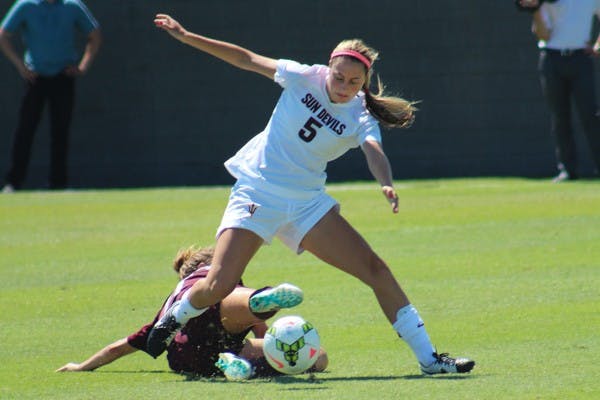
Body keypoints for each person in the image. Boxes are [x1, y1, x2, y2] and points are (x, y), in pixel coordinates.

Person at [147, 13, 475, 376]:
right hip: (258, 189)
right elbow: (245, 58)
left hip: (306, 204)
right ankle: (172, 319)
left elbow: (373, 151)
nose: (344, 85)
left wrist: (386, 181)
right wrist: (187, 35)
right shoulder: (304, 76)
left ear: (364, 82)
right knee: (218, 284)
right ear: (328, 67)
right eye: (339, 76)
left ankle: (430, 360)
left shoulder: (361, 113)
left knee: (376, 270)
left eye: (354, 81)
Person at [56, 245, 328, 379]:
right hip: (216, 311)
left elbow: (121, 347)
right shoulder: (217, 275)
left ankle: (231, 365)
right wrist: (273, 347)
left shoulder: (170, 301)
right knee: (318, 359)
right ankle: (259, 301)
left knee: (223, 343)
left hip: (185, 356)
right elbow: (263, 336)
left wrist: (81, 366)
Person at [0, 0, 101, 193]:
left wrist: (82, 66)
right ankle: (13, 182)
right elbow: (3, 34)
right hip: (35, 76)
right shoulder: (26, 5)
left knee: (60, 131)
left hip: (63, 76)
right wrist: (21, 66)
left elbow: (95, 34)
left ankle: (58, 183)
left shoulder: (72, 6)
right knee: (25, 129)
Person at [519, 0, 600, 182]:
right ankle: (568, 170)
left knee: (591, 114)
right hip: (552, 59)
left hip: (581, 58)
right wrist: (536, 10)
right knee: (559, 117)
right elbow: (544, 35)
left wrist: (597, 46)